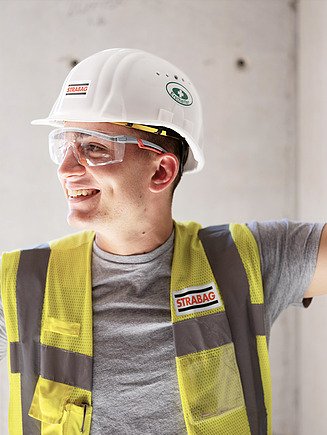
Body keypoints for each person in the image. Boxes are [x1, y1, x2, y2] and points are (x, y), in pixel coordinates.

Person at [0, 48, 326, 435]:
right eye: (64, 144)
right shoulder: (20, 283)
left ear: (161, 171)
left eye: (94, 147)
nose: (66, 169)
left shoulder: (244, 261)